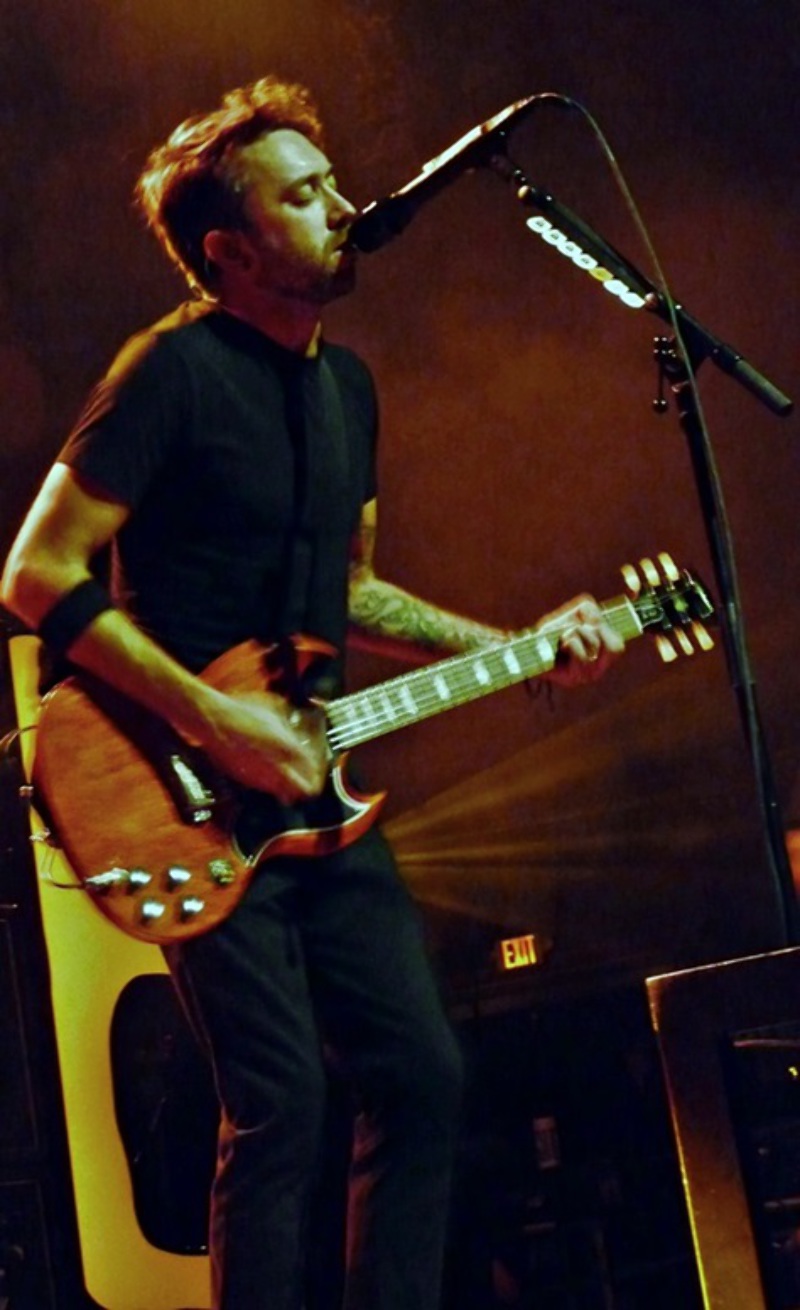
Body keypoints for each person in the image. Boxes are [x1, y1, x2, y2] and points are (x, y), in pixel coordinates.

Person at [1, 76, 623, 1310]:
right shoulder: (166, 373)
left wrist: (516, 643)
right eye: (301, 194)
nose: (342, 206)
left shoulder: (348, 390)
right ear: (228, 251)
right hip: (181, 786)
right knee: (277, 1099)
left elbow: (352, 592)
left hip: (315, 785)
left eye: (330, 181)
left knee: (421, 1074)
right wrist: (213, 719)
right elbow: (34, 572)